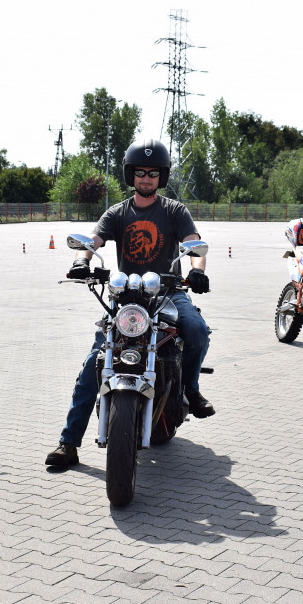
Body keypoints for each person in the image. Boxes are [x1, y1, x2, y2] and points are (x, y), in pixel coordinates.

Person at [45, 138, 213, 469]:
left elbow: (193, 244)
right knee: (94, 363)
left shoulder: (174, 211)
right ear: (130, 174)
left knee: (196, 330)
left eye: (153, 173)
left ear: (161, 176)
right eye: (140, 172)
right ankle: (68, 443)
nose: (146, 178)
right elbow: (92, 241)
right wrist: (81, 261)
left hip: (168, 292)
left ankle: (191, 390)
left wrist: (197, 271)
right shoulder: (118, 212)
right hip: (127, 297)